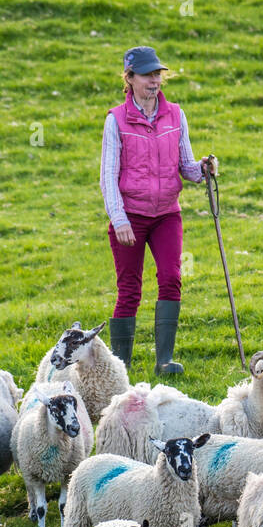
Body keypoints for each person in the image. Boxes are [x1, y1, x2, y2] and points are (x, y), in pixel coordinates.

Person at [99, 45, 213, 375]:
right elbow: (108, 174)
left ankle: (164, 361)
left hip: (166, 214)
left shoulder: (175, 115)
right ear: (130, 78)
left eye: (157, 74)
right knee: (130, 289)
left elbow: (186, 166)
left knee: (171, 278)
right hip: (130, 216)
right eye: (147, 75)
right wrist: (118, 218)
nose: (154, 81)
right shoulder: (115, 120)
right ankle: (122, 366)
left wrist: (202, 169)